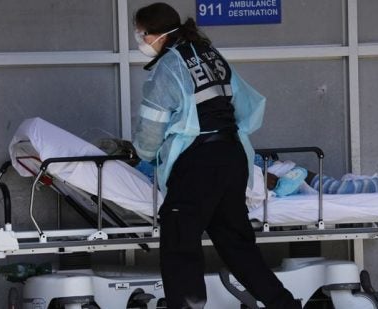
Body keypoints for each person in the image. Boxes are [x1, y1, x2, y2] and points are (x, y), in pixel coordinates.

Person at [131, 3, 301, 309]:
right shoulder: (209, 54)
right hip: (232, 155)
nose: (140, 40)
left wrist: (144, 153)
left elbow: (150, 130)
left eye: (142, 34)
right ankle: (283, 305)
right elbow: (245, 105)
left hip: (200, 163)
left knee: (179, 240)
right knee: (238, 245)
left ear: (156, 34)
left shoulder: (169, 66)